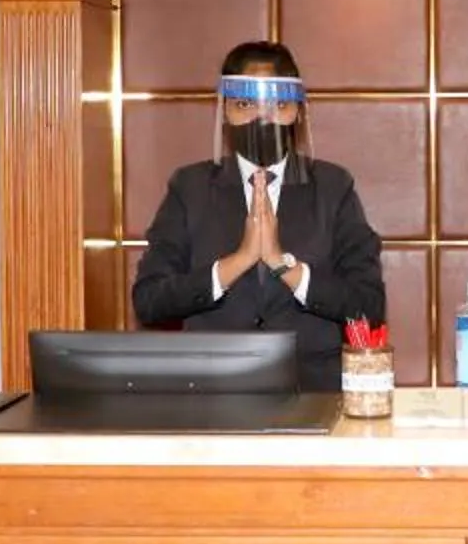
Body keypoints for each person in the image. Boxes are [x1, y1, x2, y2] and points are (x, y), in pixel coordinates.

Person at [132, 40, 388, 391]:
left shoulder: (332, 186)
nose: (261, 118)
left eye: (278, 105)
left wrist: (284, 266)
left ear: (298, 111)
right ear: (225, 110)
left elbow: (368, 305)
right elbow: (149, 301)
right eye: (244, 104)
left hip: (312, 391)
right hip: (213, 392)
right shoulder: (190, 187)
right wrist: (239, 261)